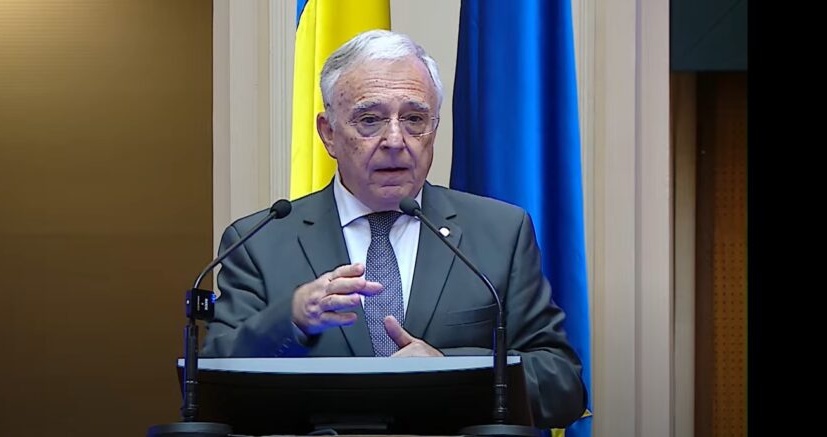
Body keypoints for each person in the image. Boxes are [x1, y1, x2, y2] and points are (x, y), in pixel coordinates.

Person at [203, 29, 585, 428]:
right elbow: (211, 390)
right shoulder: (259, 242)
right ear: (329, 133)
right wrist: (292, 319)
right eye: (370, 120)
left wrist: (450, 369)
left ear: (435, 127)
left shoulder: (500, 233)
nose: (395, 140)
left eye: (414, 119)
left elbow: (562, 385)